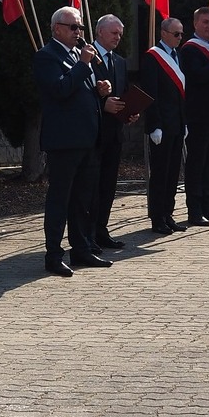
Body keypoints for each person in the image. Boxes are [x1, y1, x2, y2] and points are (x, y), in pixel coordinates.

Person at [34, 5, 113, 277]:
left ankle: (81, 248)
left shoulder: (79, 56)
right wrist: (83, 65)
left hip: (88, 140)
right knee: (60, 199)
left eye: (80, 27)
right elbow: (60, 89)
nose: (79, 33)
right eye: (73, 27)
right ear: (57, 28)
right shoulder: (47, 56)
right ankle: (54, 255)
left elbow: (83, 90)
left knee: (83, 200)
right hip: (65, 142)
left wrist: (101, 90)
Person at [179, 6, 209, 227]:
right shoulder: (190, 50)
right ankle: (195, 210)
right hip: (197, 116)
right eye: (205, 22)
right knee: (196, 165)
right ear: (196, 23)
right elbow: (198, 77)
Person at [92, 13, 136, 249]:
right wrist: (102, 104)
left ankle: (102, 230)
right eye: (113, 33)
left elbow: (123, 93)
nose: (118, 37)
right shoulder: (86, 58)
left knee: (109, 185)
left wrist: (130, 111)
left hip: (114, 134)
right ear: (100, 32)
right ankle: (88, 233)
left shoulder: (119, 61)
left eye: (120, 33)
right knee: (92, 185)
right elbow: (82, 94)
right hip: (93, 134)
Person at [140, 16, 187, 236]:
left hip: (177, 124)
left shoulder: (177, 56)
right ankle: (157, 217)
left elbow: (181, 95)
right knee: (160, 174)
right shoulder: (153, 57)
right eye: (176, 34)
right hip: (161, 126)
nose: (180, 38)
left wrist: (184, 122)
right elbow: (151, 94)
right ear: (164, 33)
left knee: (172, 173)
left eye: (181, 34)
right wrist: (154, 125)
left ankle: (168, 214)